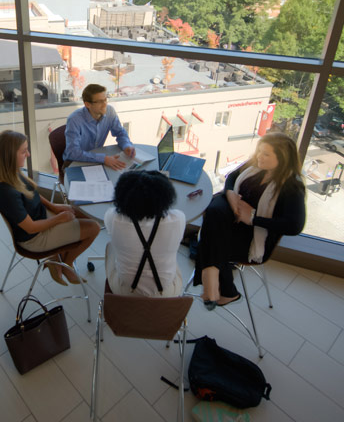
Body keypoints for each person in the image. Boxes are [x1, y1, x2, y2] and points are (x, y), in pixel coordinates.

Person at [193, 132, 306, 310]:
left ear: (283, 159)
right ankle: (218, 283)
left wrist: (253, 219)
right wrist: (230, 193)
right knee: (214, 211)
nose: (259, 156)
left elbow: (295, 226)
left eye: (266, 154)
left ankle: (217, 282)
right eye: (259, 151)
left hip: (253, 233)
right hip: (232, 215)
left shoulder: (292, 186)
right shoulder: (256, 163)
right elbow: (231, 176)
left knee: (209, 238)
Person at [0, 130, 100, 285]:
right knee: (94, 228)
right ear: (9, 155)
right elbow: (31, 228)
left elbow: (32, 193)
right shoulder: (5, 192)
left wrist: (54, 207)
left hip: (40, 216)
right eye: (23, 151)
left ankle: (58, 259)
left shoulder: (9, 172)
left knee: (85, 214)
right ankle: (67, 264)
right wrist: (60, 218)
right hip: (35, 238)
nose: (28, 154)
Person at [104, 170, 186, 297]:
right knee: (173, 258)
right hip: (167, 294)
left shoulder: (112, 218)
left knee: (110, 247)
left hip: (125, 292)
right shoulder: (178, 219)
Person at [64, 83, 135, 171]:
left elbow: (120, 133)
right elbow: (73, 153)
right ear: (87, 104)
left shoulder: (110, 111)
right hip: (75, 163)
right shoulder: (74, 120)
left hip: (96, 161)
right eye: (100, 101)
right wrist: (104, 159)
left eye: (105, 100)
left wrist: (126, 145)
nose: (105, 104)